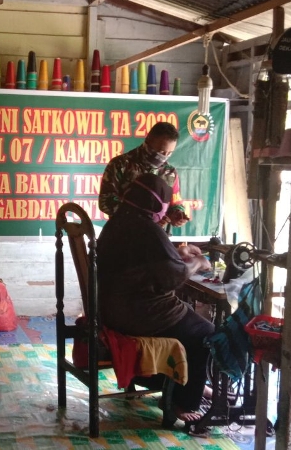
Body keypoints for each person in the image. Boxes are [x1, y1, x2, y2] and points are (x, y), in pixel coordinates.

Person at [97, 173, 213, 421]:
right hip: (141, 314)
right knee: (205, 333)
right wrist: (198, 263)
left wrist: (178, 253)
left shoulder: (117, 222)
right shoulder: (147, 229)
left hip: (112, 309)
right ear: (158, 204)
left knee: (191, 323)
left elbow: (148, 260)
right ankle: (182, 402)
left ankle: (191, 380)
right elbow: (172, 277)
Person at [98, 121, 189, 227]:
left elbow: (176, 203)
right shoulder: (121, 164)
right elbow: (105, 201)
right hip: (122, 234)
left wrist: (177, 214)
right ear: (148, 141)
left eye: (169, 153)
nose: (164, 156)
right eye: (161, 151)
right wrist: (142, 216)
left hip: (155, 237)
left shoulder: (170, 173)